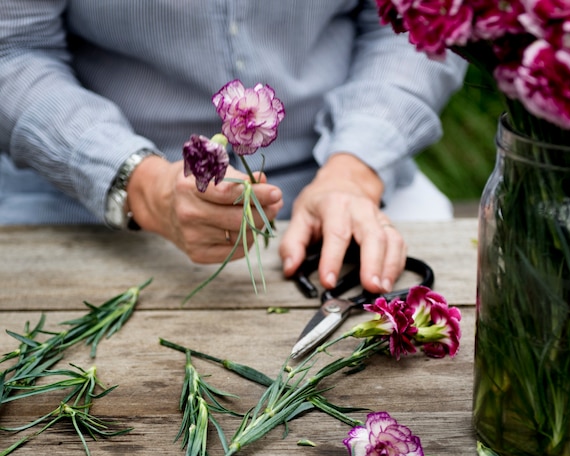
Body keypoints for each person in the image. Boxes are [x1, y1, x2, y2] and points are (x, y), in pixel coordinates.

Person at [0, 1, 467, 294]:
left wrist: (356, 166)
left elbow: (419, 21)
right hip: (93, 196)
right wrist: (140, 185)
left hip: (355, 176)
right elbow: (11, 50)